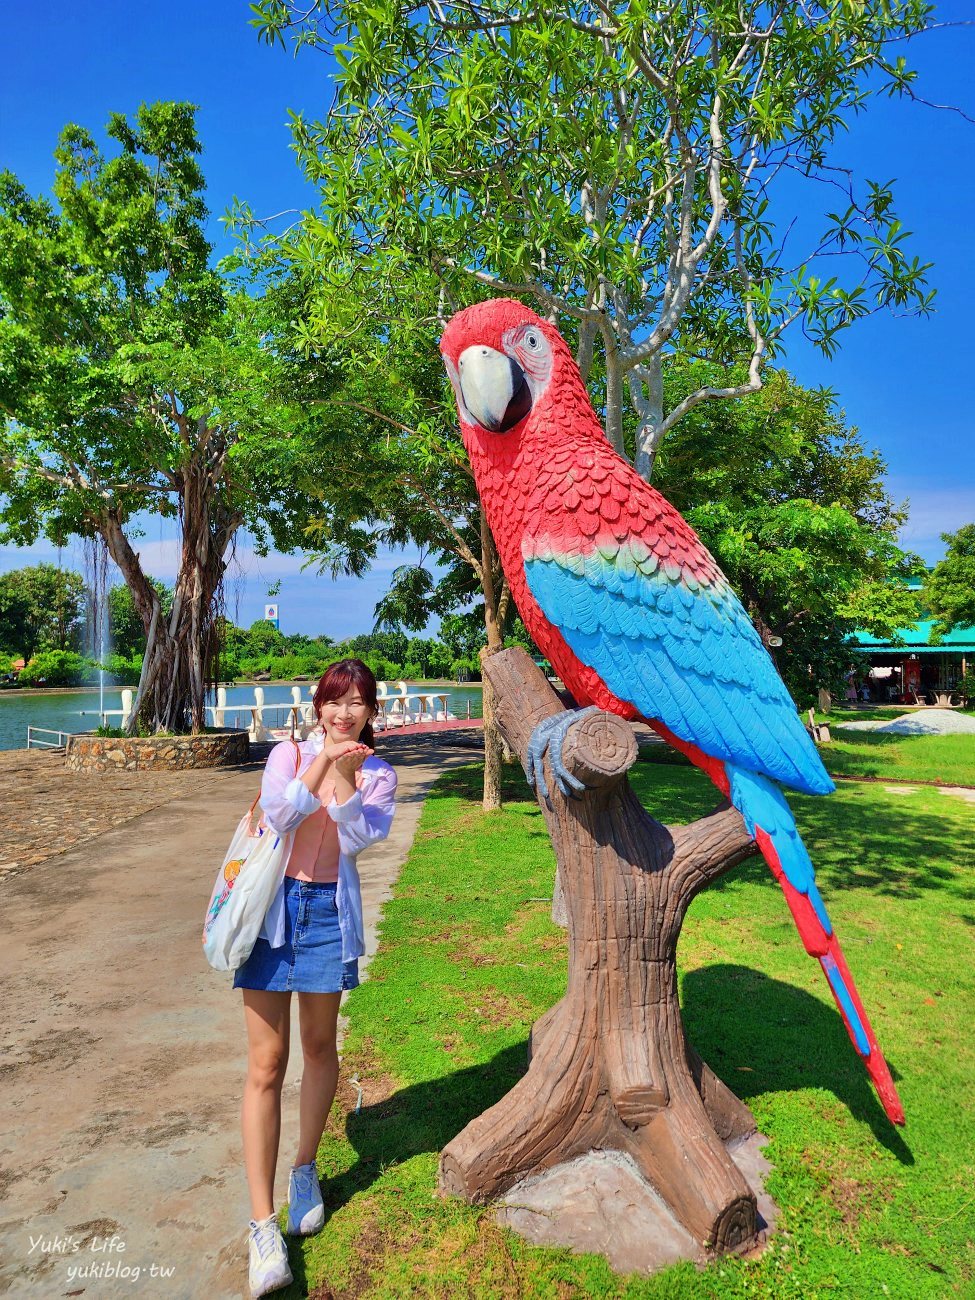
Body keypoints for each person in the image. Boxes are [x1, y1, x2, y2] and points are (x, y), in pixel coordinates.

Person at [234, 658, 397, 1298]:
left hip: (329, 915)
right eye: (335, 699)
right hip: (275, 913)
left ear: (371, 711)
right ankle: (261, 1224)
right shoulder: (288, 754)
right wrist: (323, 764)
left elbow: (359, 838)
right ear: (317, 704)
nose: (344, 711)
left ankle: (304, 1169)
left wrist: (352, 780)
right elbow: (279, 815)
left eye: (357, 701)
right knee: (266, 1063)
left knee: (320, 1047)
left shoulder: (379, 773)